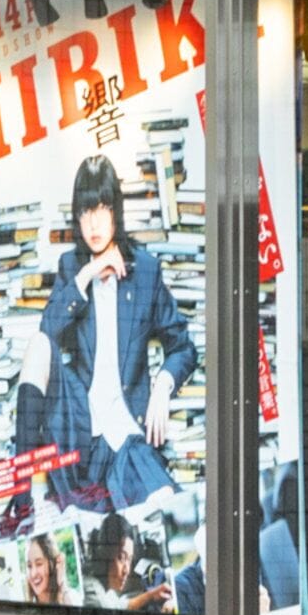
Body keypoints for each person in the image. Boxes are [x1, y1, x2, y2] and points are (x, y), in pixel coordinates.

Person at [37, 153, 196, 512]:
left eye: (102, 209)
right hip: (84, 440)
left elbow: (183, 346)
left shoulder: (145, 273)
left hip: (129, 433)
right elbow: (46, 335)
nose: (93, 223)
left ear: (116, 212)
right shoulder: (70, 269)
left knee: (165, 504)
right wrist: (87, 275)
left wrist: (163, 386)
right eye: (85, 212)